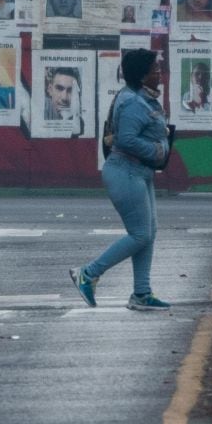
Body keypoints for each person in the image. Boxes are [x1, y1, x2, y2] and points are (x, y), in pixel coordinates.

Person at [72, 48, 171, 313]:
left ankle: (142, 293)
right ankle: (88, 274)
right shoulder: (133, 102)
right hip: (125, 172)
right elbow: (126, 139)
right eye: (155, 69)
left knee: (147, 234)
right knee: (140, 234)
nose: (160, 73)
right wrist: (157, 151)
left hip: (139, 172)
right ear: (142, 75)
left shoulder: (142, 98)